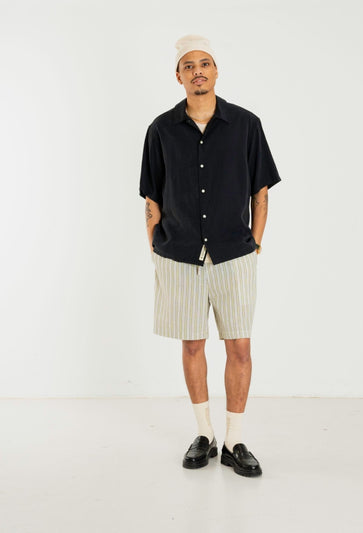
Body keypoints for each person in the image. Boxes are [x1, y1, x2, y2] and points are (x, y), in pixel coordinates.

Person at [139, 34, 282, 477]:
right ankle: (204, 434)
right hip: (178, 254)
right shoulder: (160, 129)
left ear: (216, 71)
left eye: (204, 63)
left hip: (234, 253)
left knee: (239, 345)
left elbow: (261, 191)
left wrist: (254, 244)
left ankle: (235, 440)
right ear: (178, 76)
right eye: (188, 65)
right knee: (192, 344)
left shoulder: (246, 124)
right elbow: (151, 197)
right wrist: (156, 247)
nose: (197, 70)